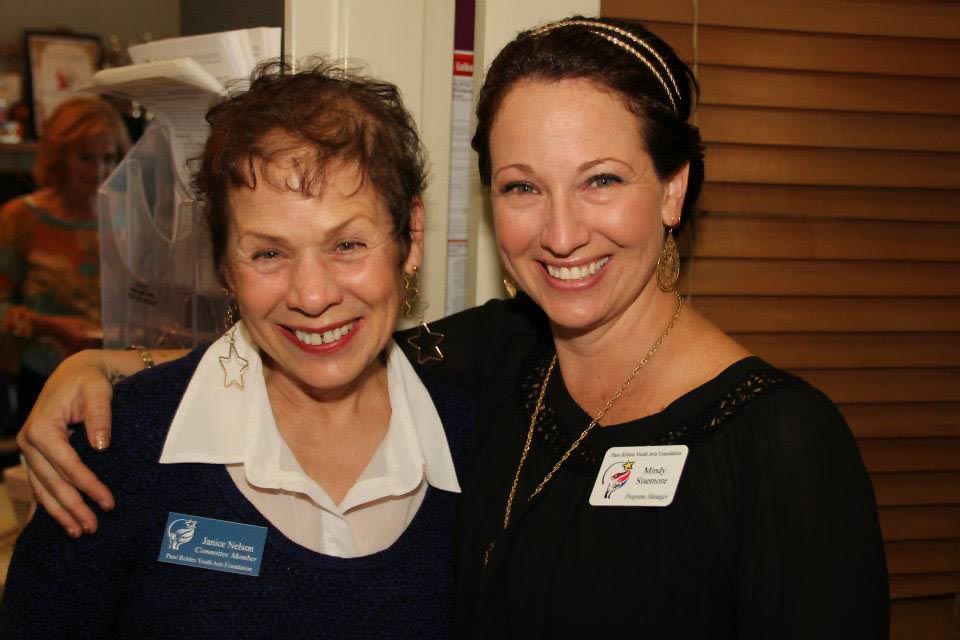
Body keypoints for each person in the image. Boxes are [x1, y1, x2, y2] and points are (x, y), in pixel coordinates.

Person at [13, 18, 889, 639]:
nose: (561, 233)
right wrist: (102, 365)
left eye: (601, 181)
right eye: (522, 186)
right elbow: (324, 337)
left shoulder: (783, 441)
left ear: (673, 188)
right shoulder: (502, 363)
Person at [1, 61, 475, 638]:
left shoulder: (479, 446)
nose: (312, 296)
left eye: (348, 244)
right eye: (268, 254)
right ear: (224, 265)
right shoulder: (119, 447)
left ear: (411, 237)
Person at [0, 96, 130, 433]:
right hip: (42, 375)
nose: (99, 170)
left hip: (117, 372)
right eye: (86, 158)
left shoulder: (127, 217)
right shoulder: (21, 218)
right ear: (59, 157)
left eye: (108, 158)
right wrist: (52, 325)